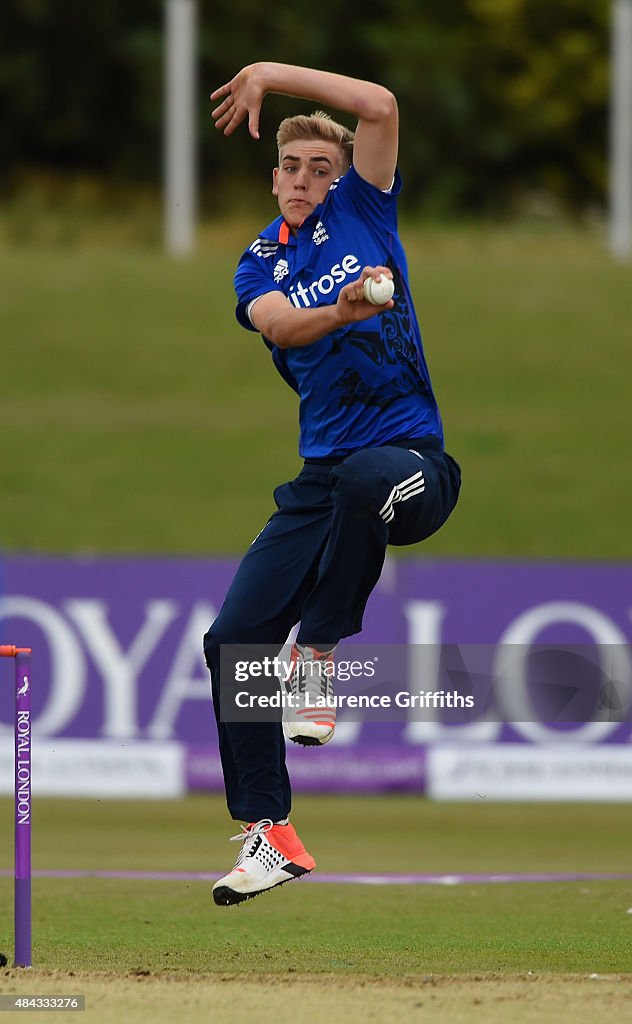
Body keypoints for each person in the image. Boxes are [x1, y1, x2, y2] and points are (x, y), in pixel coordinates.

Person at [203, 62, 461, 907]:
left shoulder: (364, 205)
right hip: (323, 483)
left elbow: (382, 104)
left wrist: (269, 75)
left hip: (414, 465)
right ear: (272, 176)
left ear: (343, 176)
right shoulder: (259, 262)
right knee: (232, 638)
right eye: (291, 167)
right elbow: (279, 324)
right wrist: (344, 312)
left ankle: (316, 657)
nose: (305, 180)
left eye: (321, 167)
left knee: (364, 478)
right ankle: (268, 833)